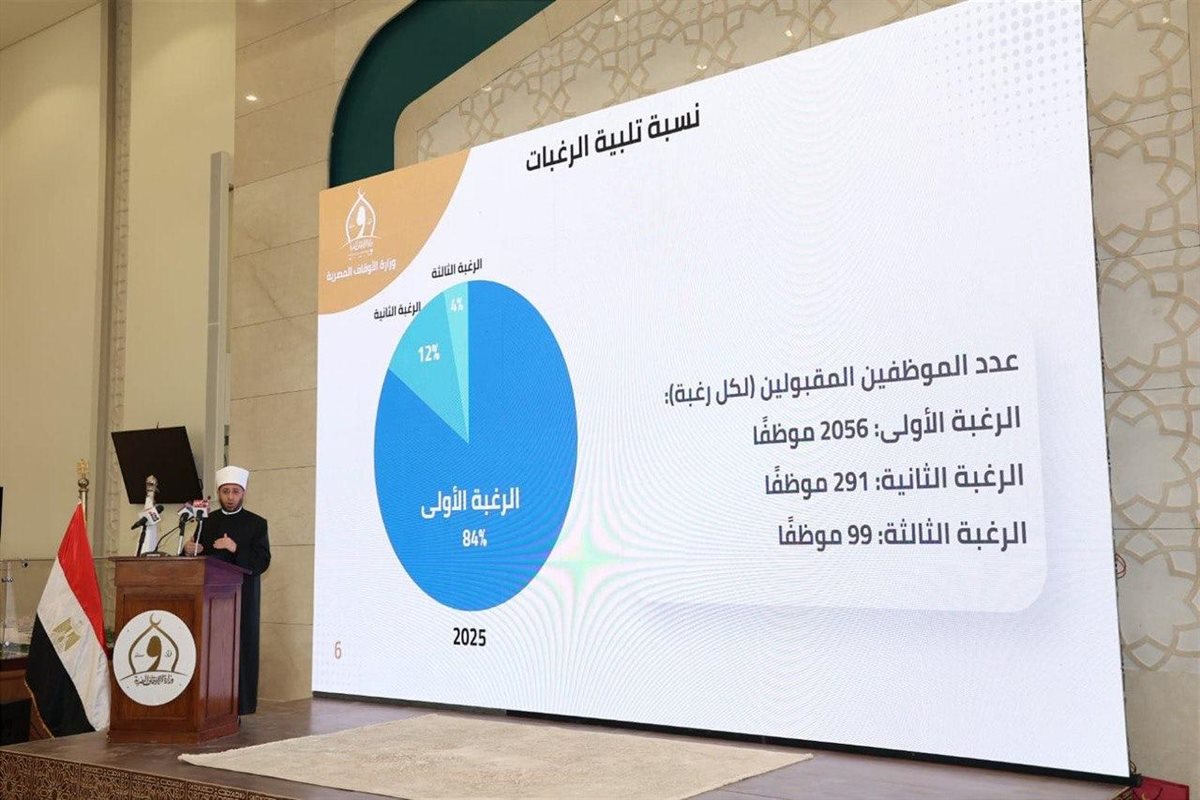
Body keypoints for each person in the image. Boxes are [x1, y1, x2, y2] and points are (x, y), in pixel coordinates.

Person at [183, 465, 270, 715]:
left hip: (243, 598)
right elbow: (196, 556)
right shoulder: (207, 521)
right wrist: (189, 551)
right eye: (225, 491)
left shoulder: (257, 523)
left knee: (241, 648)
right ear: (219, 493)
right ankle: (209, 702)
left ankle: (241, 705)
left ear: (243, 493)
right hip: (210, 600)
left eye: (235, 491)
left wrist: (235, 548)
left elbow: (262, 562)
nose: (230, 497)